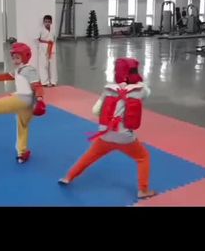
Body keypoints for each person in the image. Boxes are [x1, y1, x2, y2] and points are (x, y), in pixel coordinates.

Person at [58, 58, 157, 199]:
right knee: (143, 157)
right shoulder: (140, 91)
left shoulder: (108, 89)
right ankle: (143, 190)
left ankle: (68, 177)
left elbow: (95, 111)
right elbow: (147, 91)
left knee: (89, 156)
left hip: (106, 134)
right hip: (125, 138)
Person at [38, 15, 58, 87]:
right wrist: (44, 43)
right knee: (43, 65)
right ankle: (44, 82)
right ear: (43, 22)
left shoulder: (53, 30)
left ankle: (53, 81)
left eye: (49, 22)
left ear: (51, 22)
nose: (47, 23)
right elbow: (38, 39)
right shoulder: (40, 30)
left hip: (52, 47)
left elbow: (54, 39)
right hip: (43, 48)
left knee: (53, 65)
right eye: (46, 22)